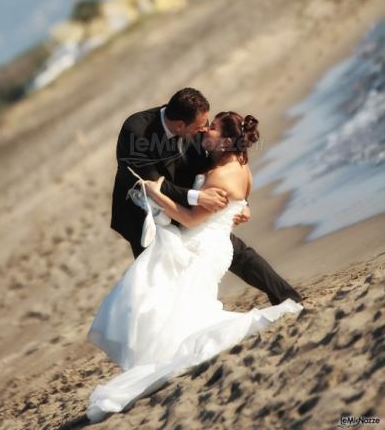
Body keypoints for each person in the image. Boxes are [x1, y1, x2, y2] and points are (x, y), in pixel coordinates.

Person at [86, 110, 303, 422]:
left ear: (227, 140)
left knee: (159, 293)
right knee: (163, 294)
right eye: (204, 125)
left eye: (211, 127)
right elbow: (234, 192)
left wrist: (155, 193)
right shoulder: (233, 161)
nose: (205, 131)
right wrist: (235, 207)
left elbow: (193, 215)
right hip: (202, 237)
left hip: (202, 241)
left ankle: (157, 350)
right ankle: (154, 345)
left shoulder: (220, 171)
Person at [111, 87, 301, 305]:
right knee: (154, 275)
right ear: (181, 125)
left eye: (207, 123)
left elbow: (219, 165)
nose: (204, 129)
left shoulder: (195, 129)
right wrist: (198, 198)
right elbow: (153, 184)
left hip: (189, 204)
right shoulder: (136, 131)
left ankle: (287, 296)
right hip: (146, 214)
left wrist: (239, 203)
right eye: (201, 125)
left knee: (230, 248)